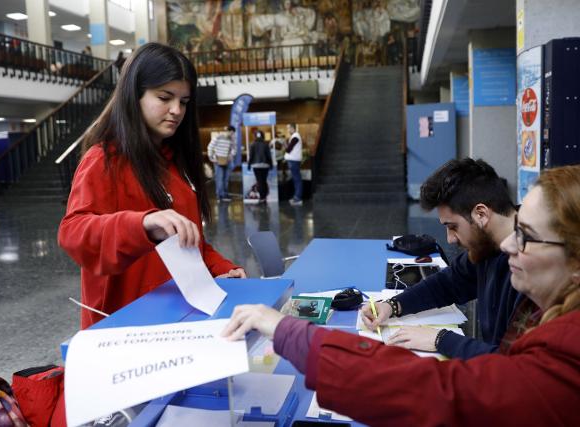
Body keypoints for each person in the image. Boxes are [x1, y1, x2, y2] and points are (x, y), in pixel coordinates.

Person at [222, 165, 580, 426]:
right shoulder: (507, 270)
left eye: (527, 235)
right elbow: (449, 284)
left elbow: (448, 390)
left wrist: (292, 332)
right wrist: (394, 304)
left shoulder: (562, 355)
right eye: (516, 230)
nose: (508, 244)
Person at [58, 43, 246, 329]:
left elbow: (189, 243)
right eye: (164, 97)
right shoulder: (103, 159)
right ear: (135, 96)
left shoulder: (177, 164)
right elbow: (73, 234)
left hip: (179, 319)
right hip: (126, 329)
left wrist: (223, 269)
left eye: (183, 101)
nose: (176, 110)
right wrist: (141, 225)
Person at [362, 158, 523, 359]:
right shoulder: (489, 245)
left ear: (481, 214)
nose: (450, 239)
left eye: (453, 226)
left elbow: (517, 364)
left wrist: (440, 339)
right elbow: (449, 282)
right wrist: (392, 305)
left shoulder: (532, 267)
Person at [207, 125, 236, 202]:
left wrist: (231, 155)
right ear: (229, 131)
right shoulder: (218, 137)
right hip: (218, 161)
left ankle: (225, 194)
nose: (232, 135)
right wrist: (211, 157)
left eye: (233, 133)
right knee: (219, 179)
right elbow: (210, 147)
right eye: (232, 133)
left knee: (226, 179)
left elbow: (234, 149)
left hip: (227, 161)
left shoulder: (231, 139)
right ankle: (220, 195)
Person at [247, 130, 272, 203]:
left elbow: (251, 156)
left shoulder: (252, 144)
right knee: (263, 181)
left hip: (256, 165)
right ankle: (264, 196)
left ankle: (262, 197)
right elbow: (269, 155)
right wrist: (271, 165)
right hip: (265, 165)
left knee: (259, 181)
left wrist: (249, 165)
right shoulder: (265, 144)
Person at [284, 123, 303, 206]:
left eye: (288, 128)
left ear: (293, 128)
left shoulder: (295, 137)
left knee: (297, 179)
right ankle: (296, 197)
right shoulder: (294, 136)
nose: (288, 130)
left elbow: (288, 149)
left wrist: (283, 143)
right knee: (296, 179)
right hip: (293, 161)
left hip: (294, 161)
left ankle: (298, 198)